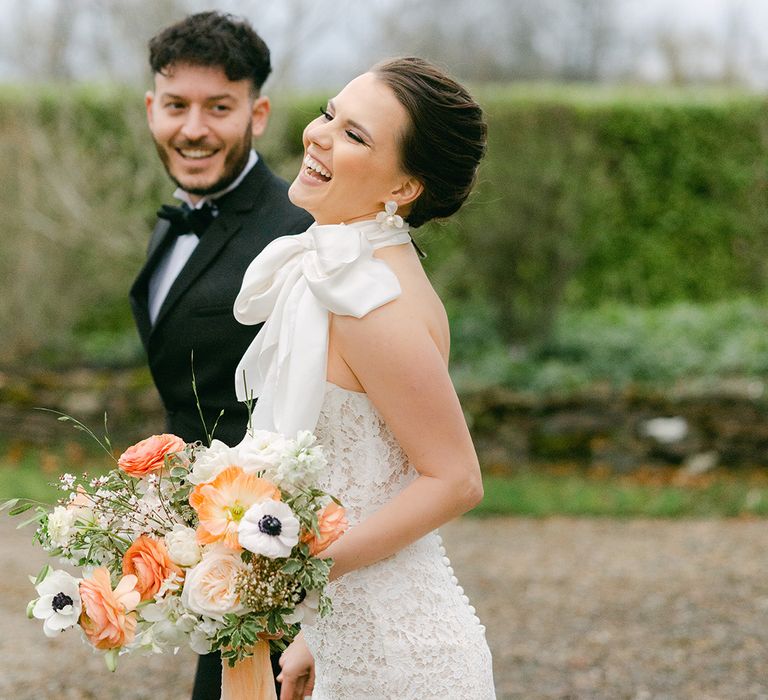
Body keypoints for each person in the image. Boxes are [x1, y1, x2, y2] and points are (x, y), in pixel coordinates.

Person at [233, 57, 496, 699]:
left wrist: (293, 579)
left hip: (403, 667)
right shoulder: (356, 271)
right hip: (353, 650)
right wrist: (312, 636)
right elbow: (375, 479)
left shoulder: (371, 300)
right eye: (330, 114)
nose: (318, 136)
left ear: (404, 188)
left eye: (355, 135)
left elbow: (454, 480)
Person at [128, 11, 312, 700]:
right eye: (176, 106)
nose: (193, 129)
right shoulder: (173, 220)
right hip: (209, 557)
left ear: (257, 114)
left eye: (219, 108)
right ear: (153, 109)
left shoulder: (297, 233)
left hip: (279, 562)